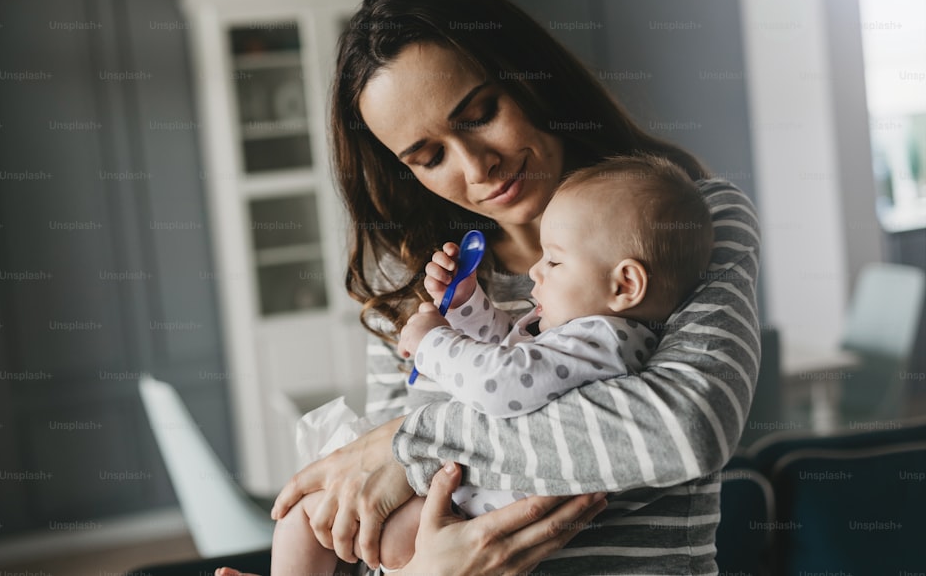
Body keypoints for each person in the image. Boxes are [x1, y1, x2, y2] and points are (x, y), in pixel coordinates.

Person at [214, 0, 760, 576]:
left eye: (478, 114)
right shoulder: (417, 284)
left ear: (530, 74)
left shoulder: (683, 224)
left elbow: (685, 428)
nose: (478, 167)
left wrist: (409, 442)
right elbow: (381, 521)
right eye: (429, 156)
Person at [270, 155, 714, 573]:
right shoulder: (587, 338)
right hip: (470, 509)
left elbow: (500, 385)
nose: (537, 271)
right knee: (327, 522)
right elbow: (507, 355)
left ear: (625, 283)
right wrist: (467, 307)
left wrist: (432, 344)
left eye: (555, 261)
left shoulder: (603, 340)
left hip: (475, 519)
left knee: (308, 518)